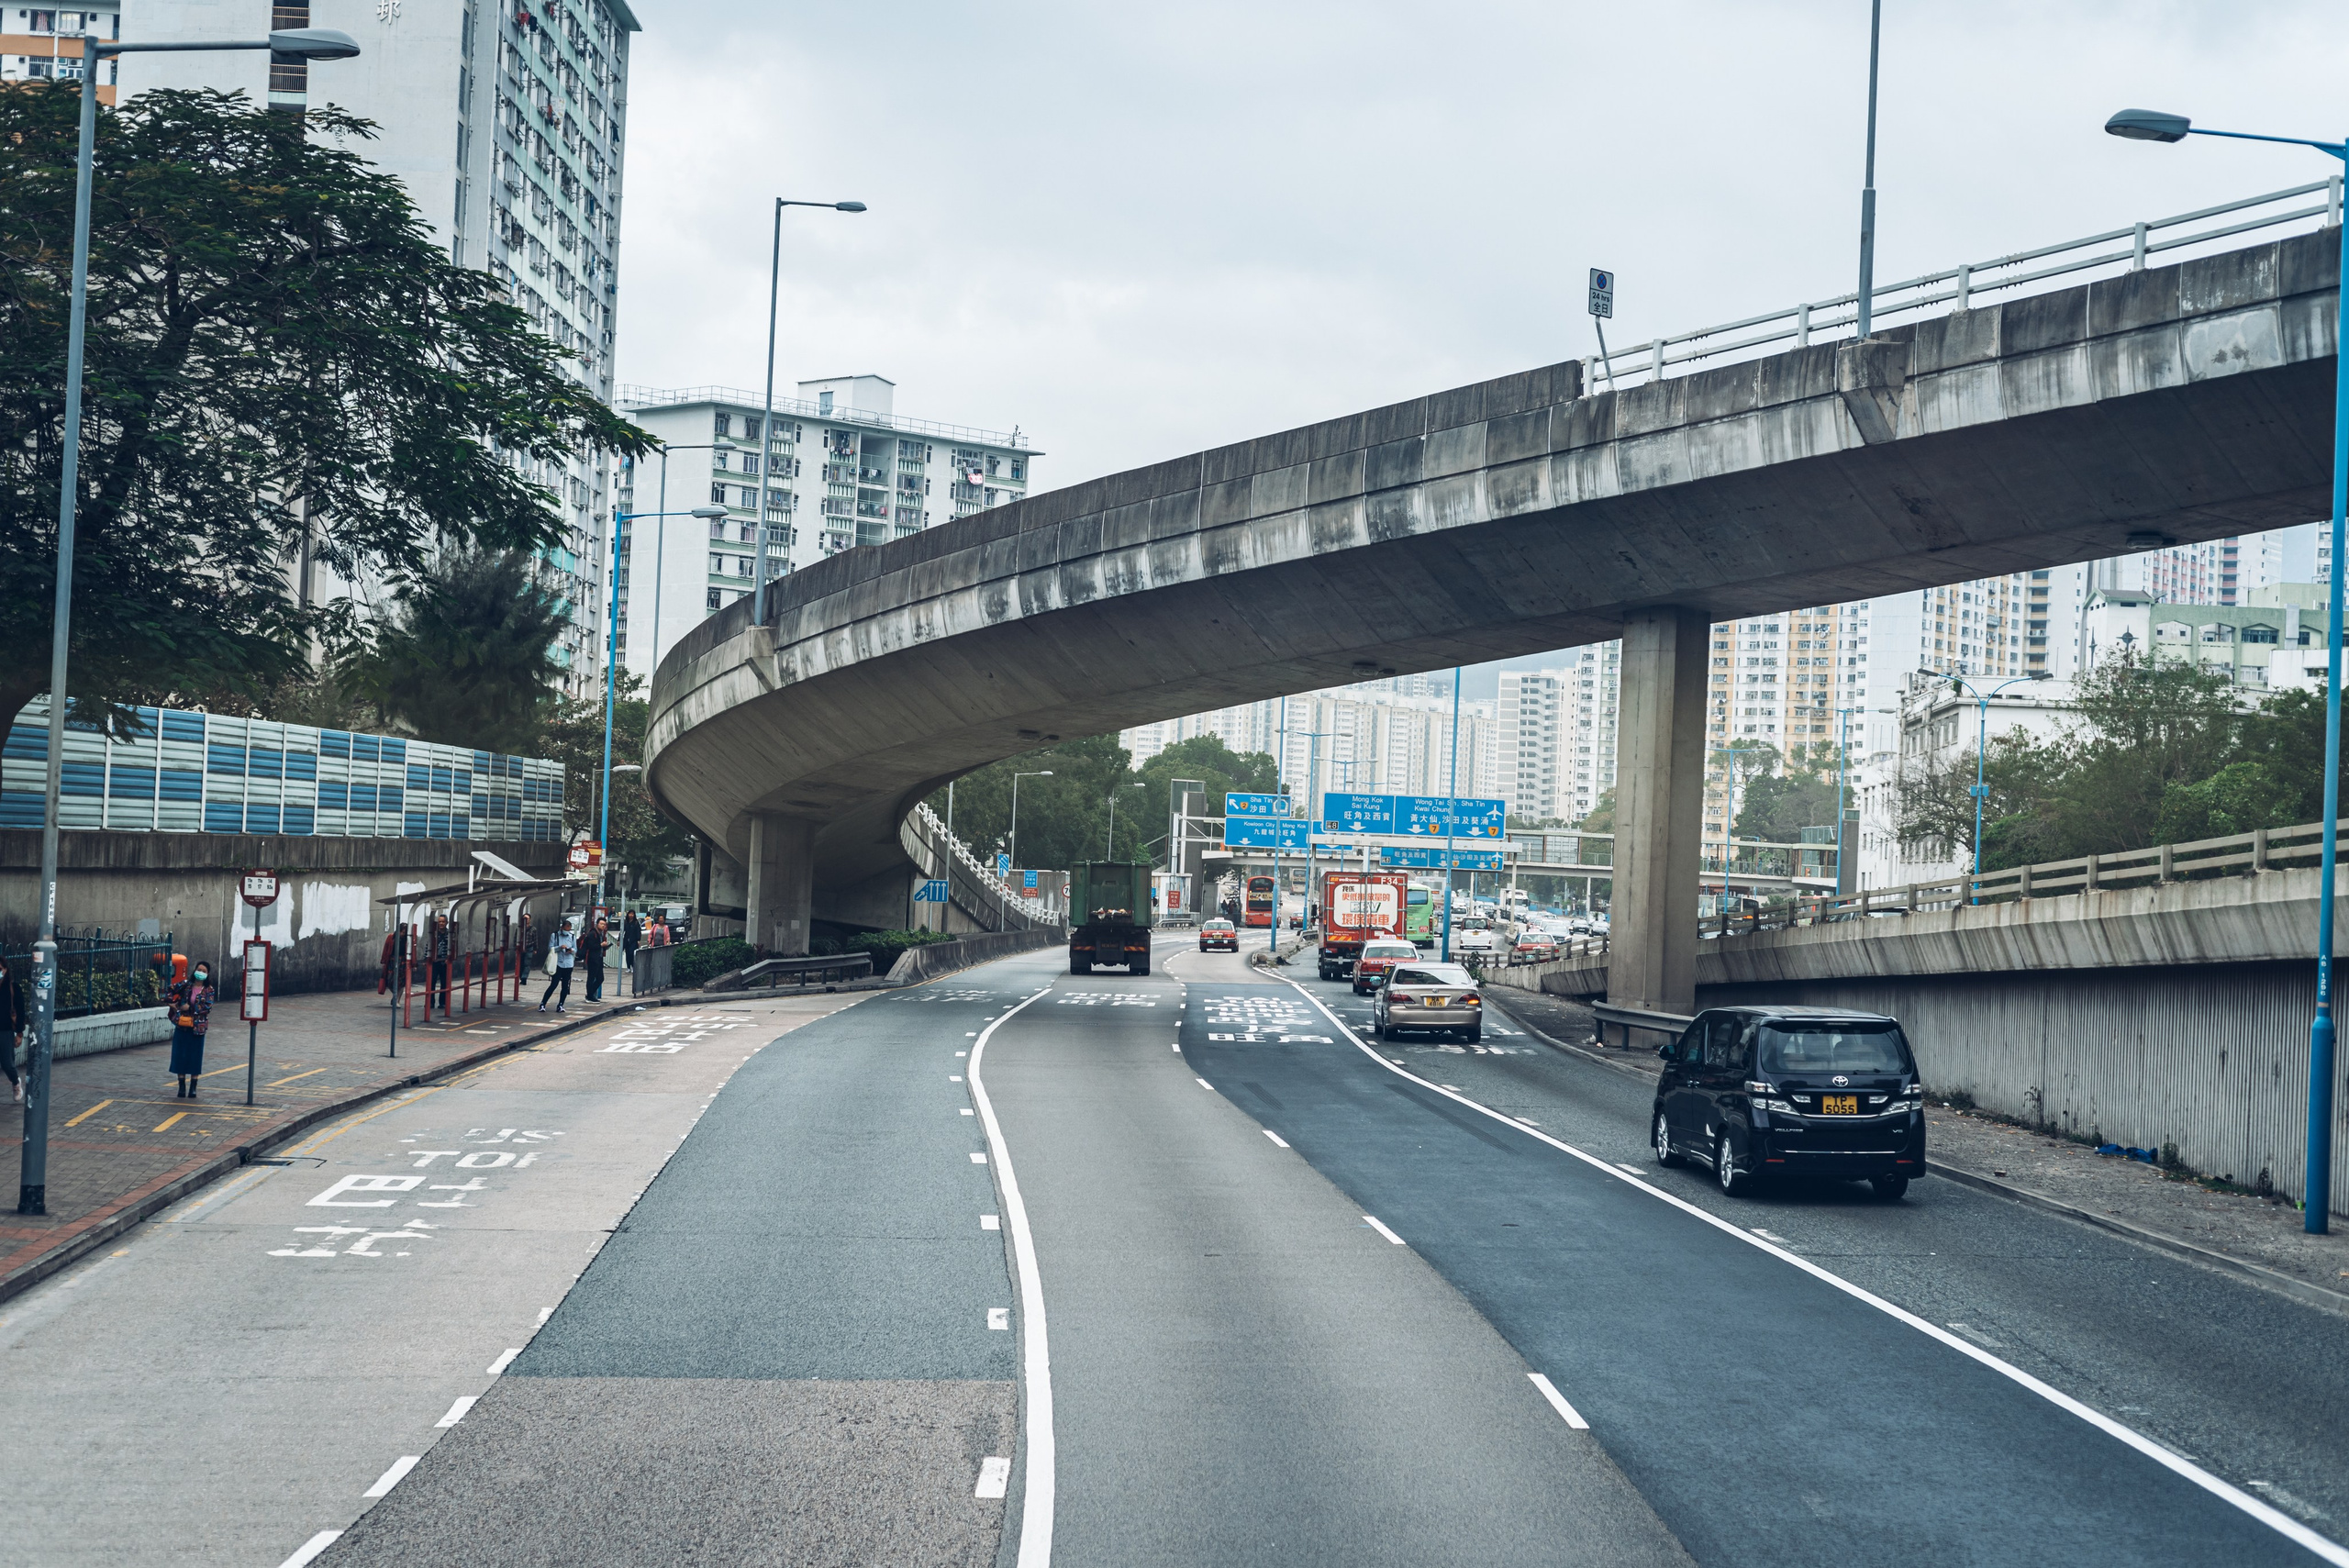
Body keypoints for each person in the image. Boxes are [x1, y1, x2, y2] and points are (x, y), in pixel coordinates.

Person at [168, 960, 216, 1099]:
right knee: (180, 1055)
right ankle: (181, 1086)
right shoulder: (186, 985)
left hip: (198, 1028)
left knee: (195, 1057)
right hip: (182, 1025)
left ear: (208, 974)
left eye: (204, 971)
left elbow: (208, 1007)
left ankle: (193, 1087)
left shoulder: (209, 990)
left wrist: (191, 1008)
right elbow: (168, 991)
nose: (200, 973)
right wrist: (173, 1004)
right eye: (199, 970)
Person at [537, 920, 577, 1014]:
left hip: (568, 964)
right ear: (562, 927)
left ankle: (560, 1005)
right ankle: (543, 1003)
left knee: (565, 986)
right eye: (566, 928)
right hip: (558, 963)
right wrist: (559, 947)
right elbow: (550, 948)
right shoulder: (554, 935)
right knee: (554, 984)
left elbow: (576, 949)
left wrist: (571, 950)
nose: (567, 931)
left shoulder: (572, 936)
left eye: (569, 929)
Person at [0, 955, 24, 1104]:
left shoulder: (13, 988)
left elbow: (20, 1011)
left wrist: (19, 1033)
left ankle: (15, 1082)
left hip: (5, 1030)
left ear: (5, 970)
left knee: (7, 1064)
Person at [427, 912, 452, 1011]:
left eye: (443, 922)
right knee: (431, 981)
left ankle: (442, 1003)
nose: (441, 924)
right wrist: (426, 958)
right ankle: (430, 1002)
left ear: (446, 923)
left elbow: (452, 946)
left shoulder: (449, 934)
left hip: (445, 962)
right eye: (439, 922)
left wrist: (449, 958)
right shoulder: (433, 933)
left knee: (444, 982)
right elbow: (428, 946)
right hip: (434, 961)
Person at [583, 916, 609, 1003]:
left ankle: (589, 994)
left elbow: (599, 946)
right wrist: (601, 945)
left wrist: (605, 947)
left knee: (600, 978)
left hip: (599, 958)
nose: (603, 926)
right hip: (592, 959)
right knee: (591, 977)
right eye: (601, 924)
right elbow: (590, 946)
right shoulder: (592, 934)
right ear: (597, 924)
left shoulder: (601, 934)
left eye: (604, 924)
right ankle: (590, 996)